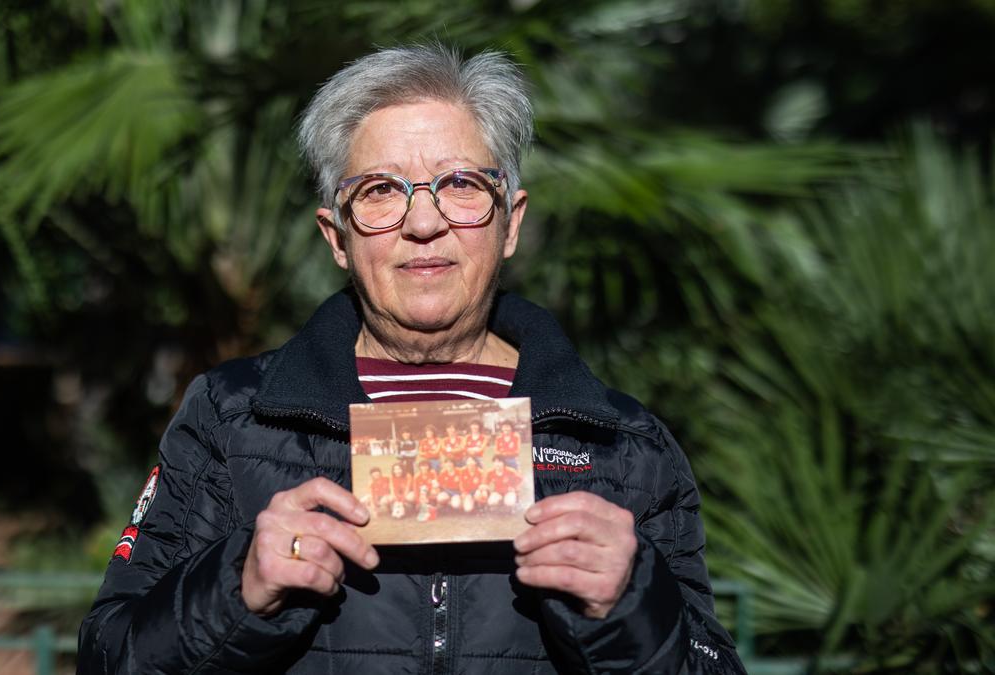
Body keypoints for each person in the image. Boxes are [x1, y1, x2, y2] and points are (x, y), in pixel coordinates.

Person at [78, 43, 745, 674]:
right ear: (335, 235)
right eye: (379, 191)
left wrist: (634, 604)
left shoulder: (622, 446)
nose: (423, 223)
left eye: (459, 183)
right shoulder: (232, 419)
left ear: (509, 221)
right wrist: (238, 585)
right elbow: (108, 653)